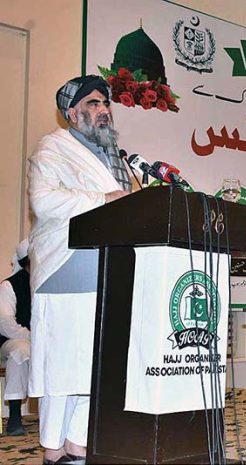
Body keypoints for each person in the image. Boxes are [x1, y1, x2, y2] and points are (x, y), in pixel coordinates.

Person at [28, 75, 130, 464]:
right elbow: (44, 201)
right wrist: (105, 198)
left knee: (93, 368)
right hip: (64, 272)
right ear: (72, 113)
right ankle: (53, 451)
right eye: (92, 103)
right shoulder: (53, 148)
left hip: (105, 271)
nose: (103, 110)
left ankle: (77, 447)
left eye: (105, 102)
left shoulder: (114, 155)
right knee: (61, 369)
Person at [0, 240, 31, 436]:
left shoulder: (47, 284)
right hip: (9, 342)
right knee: (21, 350)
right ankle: (14, 416)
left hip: (43, 342)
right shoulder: (9, 286)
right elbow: (6, 325)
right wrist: (35, 337)